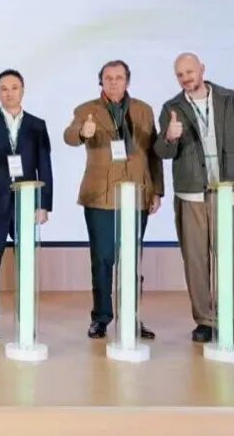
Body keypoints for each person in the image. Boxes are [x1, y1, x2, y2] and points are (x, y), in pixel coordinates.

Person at [154, 52, 234, 345]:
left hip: (227, 193)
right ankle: (205, 321)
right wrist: (170, 136)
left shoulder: (231, 100)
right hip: (191, 195)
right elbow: (162, 152)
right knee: (196, 261)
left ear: (202, 69)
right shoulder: (171, 107)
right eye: (180, 75)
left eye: (189, 72)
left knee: (229, 258)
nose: (185, 78)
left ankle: (230, 320)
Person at [63, 59, 163, 339]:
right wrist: (82, 132)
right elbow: (69, 136)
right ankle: (101, 318)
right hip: (101, 197)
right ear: (101, 82)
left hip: (137, 195)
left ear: (127, 81)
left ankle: (132, 318)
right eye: (108, 78)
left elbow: (154, 154)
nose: (114, 82)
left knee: (132, 261)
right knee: (102, 260)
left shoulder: (144, 110)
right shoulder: (86, 110)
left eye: (119, 77)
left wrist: (157, 190)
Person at [0, 68, 53, 339]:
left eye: (14, 88)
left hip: (26, 203)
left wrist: (44, 204)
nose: (9, 93)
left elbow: (45, 166)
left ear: (22, 90)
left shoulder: (37, 125)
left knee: (25, 263)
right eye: (3, 89)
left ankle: (26, 317)